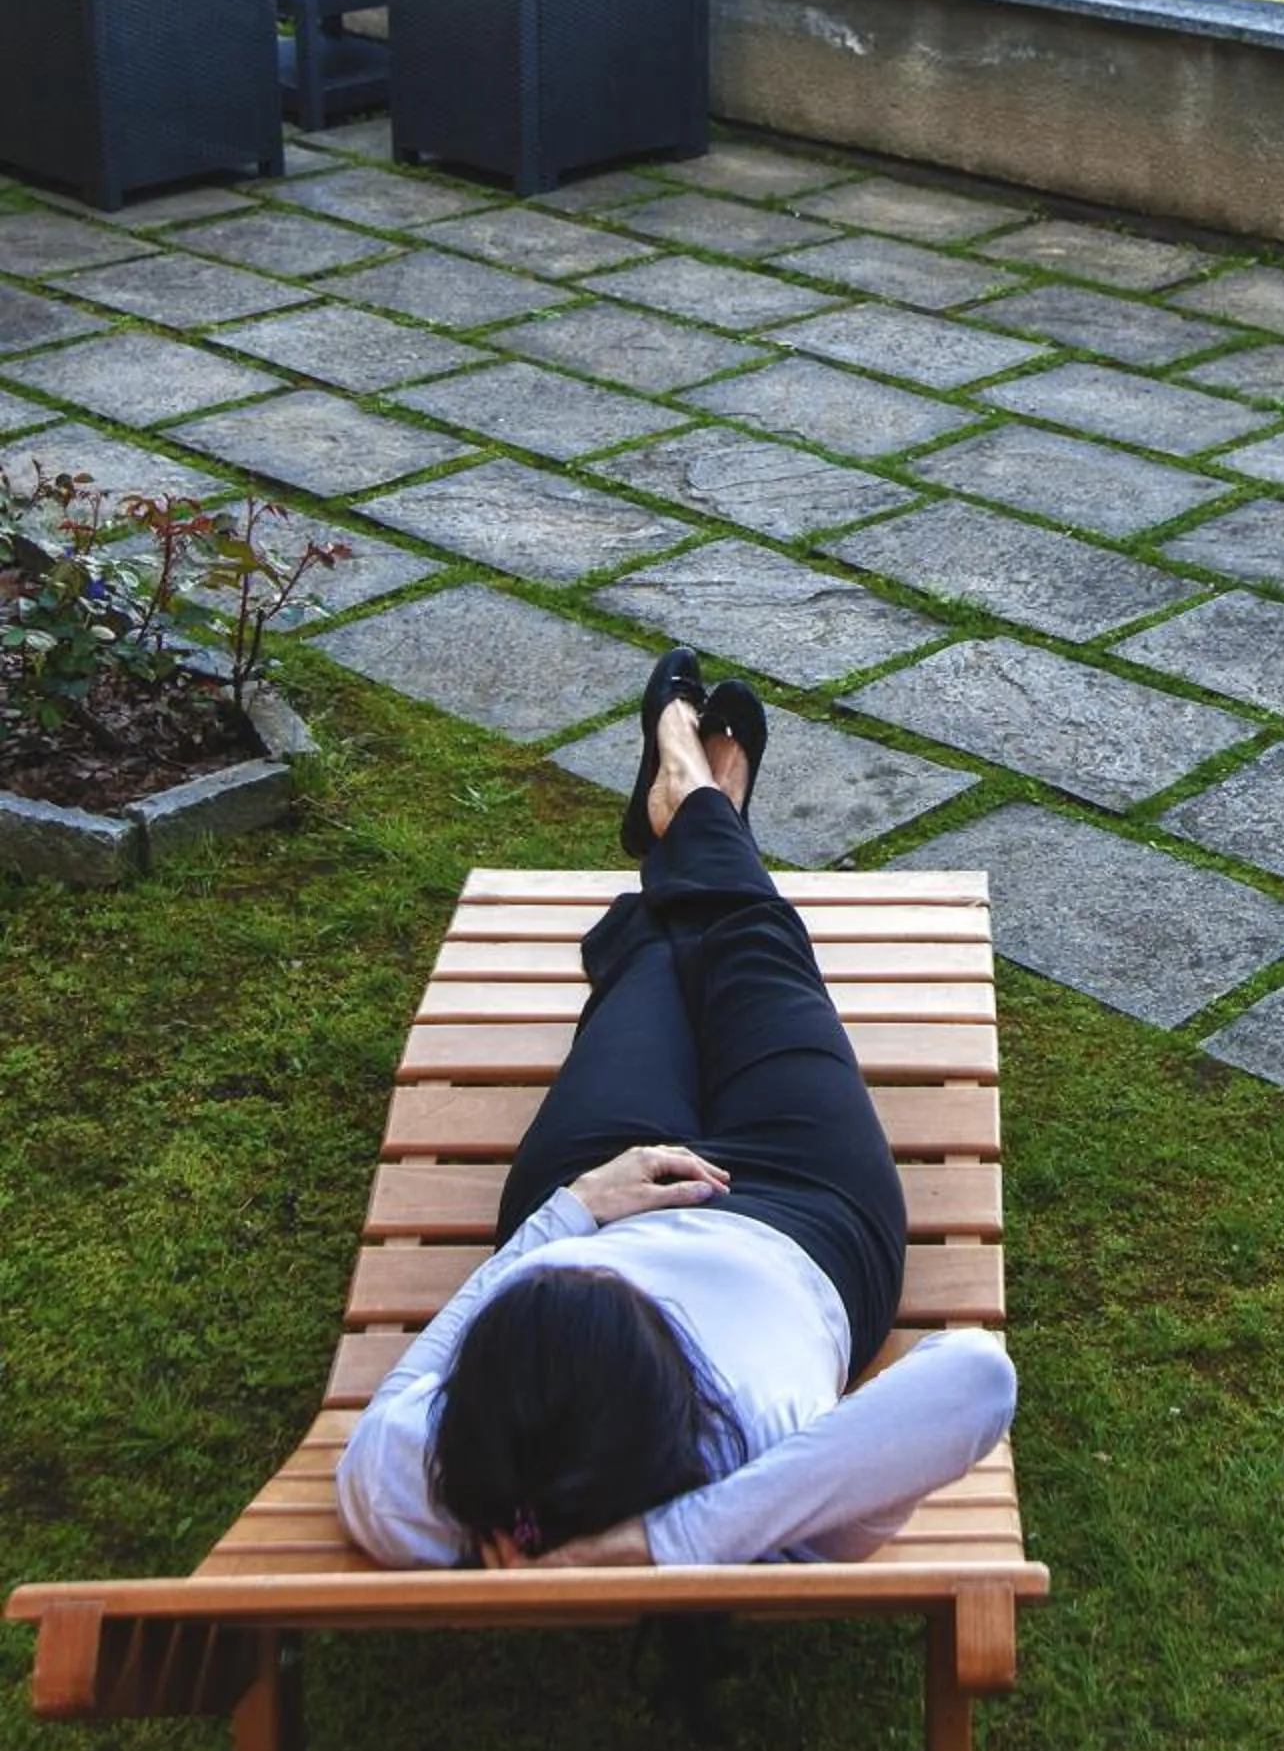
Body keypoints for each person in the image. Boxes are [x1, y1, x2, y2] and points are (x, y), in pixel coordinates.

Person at [335, 648, 1016, 1569]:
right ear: (687, 1400)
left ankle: (690, 809)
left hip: (606, 1185)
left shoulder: (411, 1493)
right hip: (806, 1214)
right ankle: (698, 804)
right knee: (757, 947)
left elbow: (415, 1391)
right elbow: (975, 1380)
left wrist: (569, 1220)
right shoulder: (766, 1460)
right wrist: (663, 1542)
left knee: (649, 979)